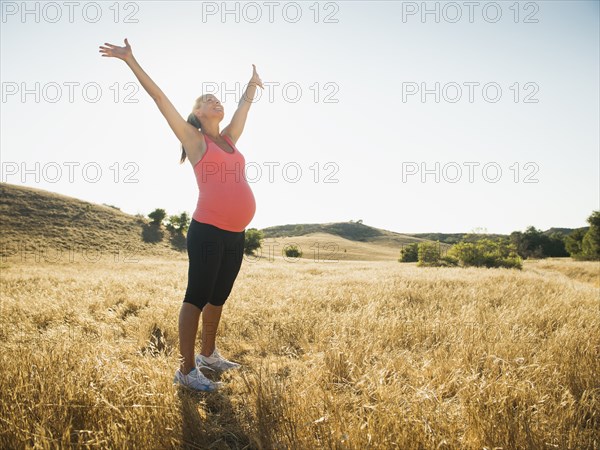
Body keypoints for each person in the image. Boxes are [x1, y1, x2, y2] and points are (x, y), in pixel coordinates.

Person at [99, 38, 263, 392]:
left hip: (236, 233)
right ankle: (187, 370)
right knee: (197, 295)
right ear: (198, 115)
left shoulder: (230, 140)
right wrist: (131, 60)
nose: (214, 101)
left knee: (219, 295)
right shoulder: (195, 139)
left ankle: (208, 355)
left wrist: (251, 85)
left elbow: (243, 109)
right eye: (206, 101)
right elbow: (160, 99)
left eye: (215, 98)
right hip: (207, 230)